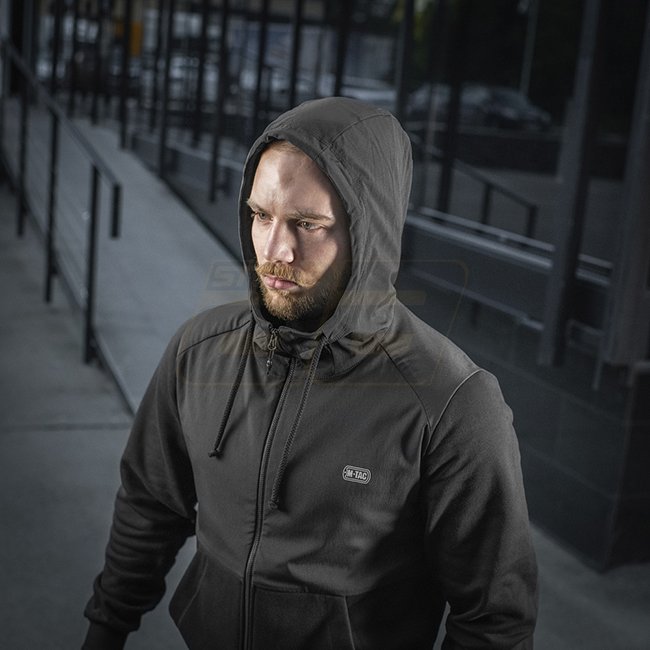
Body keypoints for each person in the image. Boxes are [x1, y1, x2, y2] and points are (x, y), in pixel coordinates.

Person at [83, 97, 537, 649]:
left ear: (369, 233)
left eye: (307, 224)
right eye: (261, 215)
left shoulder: (452, 402)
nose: (275, 250)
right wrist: (105, 628)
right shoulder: (198, 351)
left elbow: (493, 619)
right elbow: (150, 505)